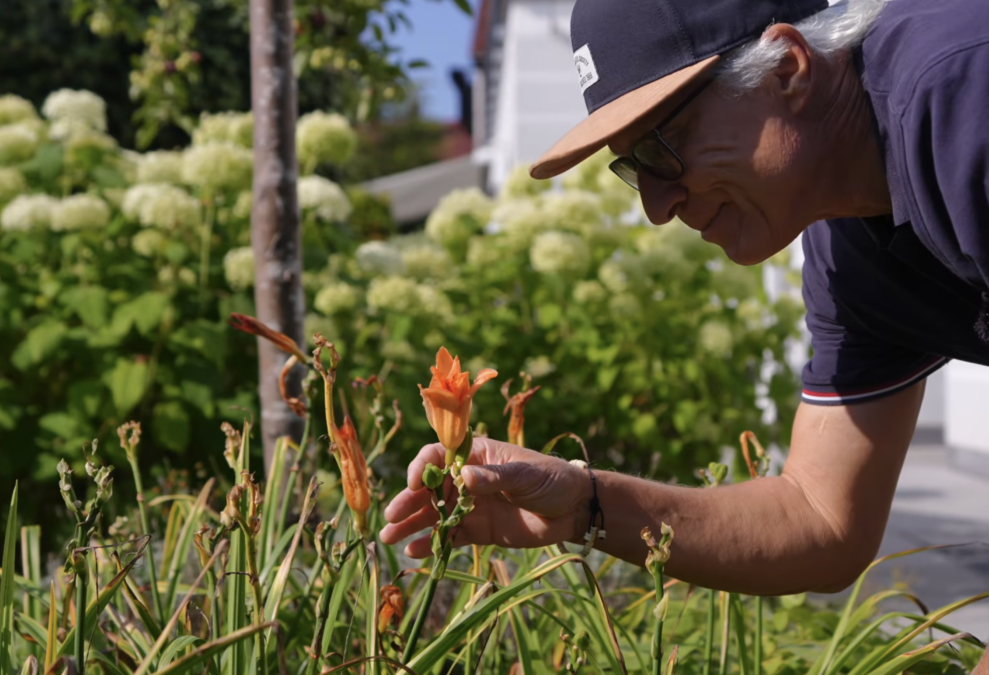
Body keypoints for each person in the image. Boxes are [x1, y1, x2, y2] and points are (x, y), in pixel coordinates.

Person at [382, 0, 989, 665]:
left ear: (788, 68)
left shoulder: (961, 93)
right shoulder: (847, 248)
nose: (655, 206)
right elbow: (821, 517)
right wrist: (584, 504)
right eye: (632, 168)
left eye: (659, 149)